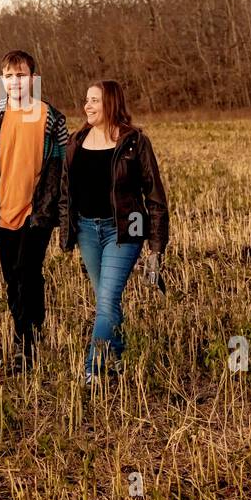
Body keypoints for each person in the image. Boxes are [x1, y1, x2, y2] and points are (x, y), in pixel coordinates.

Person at [58, 80, 168, 385]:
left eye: (95, 100)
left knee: (106, 301)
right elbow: (65, 192)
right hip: (88, 231)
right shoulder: (75, 141)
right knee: (106, 301)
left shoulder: (134, 142)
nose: (87, 106)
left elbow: (155, 196)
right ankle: (117, 355)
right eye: (86, 100)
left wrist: (156, 249)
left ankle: (93, 369)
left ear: (111, 104)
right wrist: (66, 229)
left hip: (125, 230)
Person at [0, 50, 69, 374]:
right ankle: (32, 327)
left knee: (26, 271)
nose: (15, 81)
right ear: (2, 81)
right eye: (9, 76)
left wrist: (64, 218)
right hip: (2, 214)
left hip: (37, 212)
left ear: (33, 79)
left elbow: (63, 173)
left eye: (21, 75)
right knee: (14, 279)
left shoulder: (52, 118)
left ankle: (24, 346)